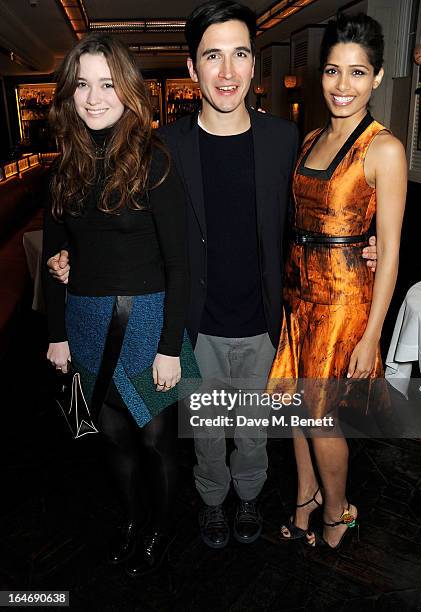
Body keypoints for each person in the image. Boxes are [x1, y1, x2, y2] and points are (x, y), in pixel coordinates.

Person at [46, 0, 378, 550]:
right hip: (192, 324)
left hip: (263, 318)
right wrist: (74, 255)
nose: (227, 72)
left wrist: (358, 248)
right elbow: (126, 221)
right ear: (193, 69)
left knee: (249, 432)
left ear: (253, 65)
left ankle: (248, 498)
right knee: (203, 434)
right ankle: (213, 504)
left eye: (240, 54)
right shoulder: (164, 146)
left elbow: (312, 215)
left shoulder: (285, 140)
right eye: (213, 57)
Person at [42, 32, 189, 575]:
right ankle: (131, 518)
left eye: (107, 83)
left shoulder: (155, 161)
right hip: (83, 318)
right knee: (111, 438)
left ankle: (161, 525)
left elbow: (180, 265)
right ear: (69, 92)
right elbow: (53, 257)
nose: (94, 96)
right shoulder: (64, 166)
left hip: (147, 320)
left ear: (128, 91)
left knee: (155, 442)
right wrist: (56, 334)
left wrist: (170, 348)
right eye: (83, 84)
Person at [268, 12, 407, 550]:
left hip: (345, 299)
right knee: (294, 406)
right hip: (299, 295)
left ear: (375, 78)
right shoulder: (309, 141)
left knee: (320, 417)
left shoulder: (385, 149)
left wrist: (372, 335)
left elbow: (390, 252)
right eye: (332, 71)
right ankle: (304, 501)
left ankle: (338, 511)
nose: (342, 85)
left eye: (356, 73)